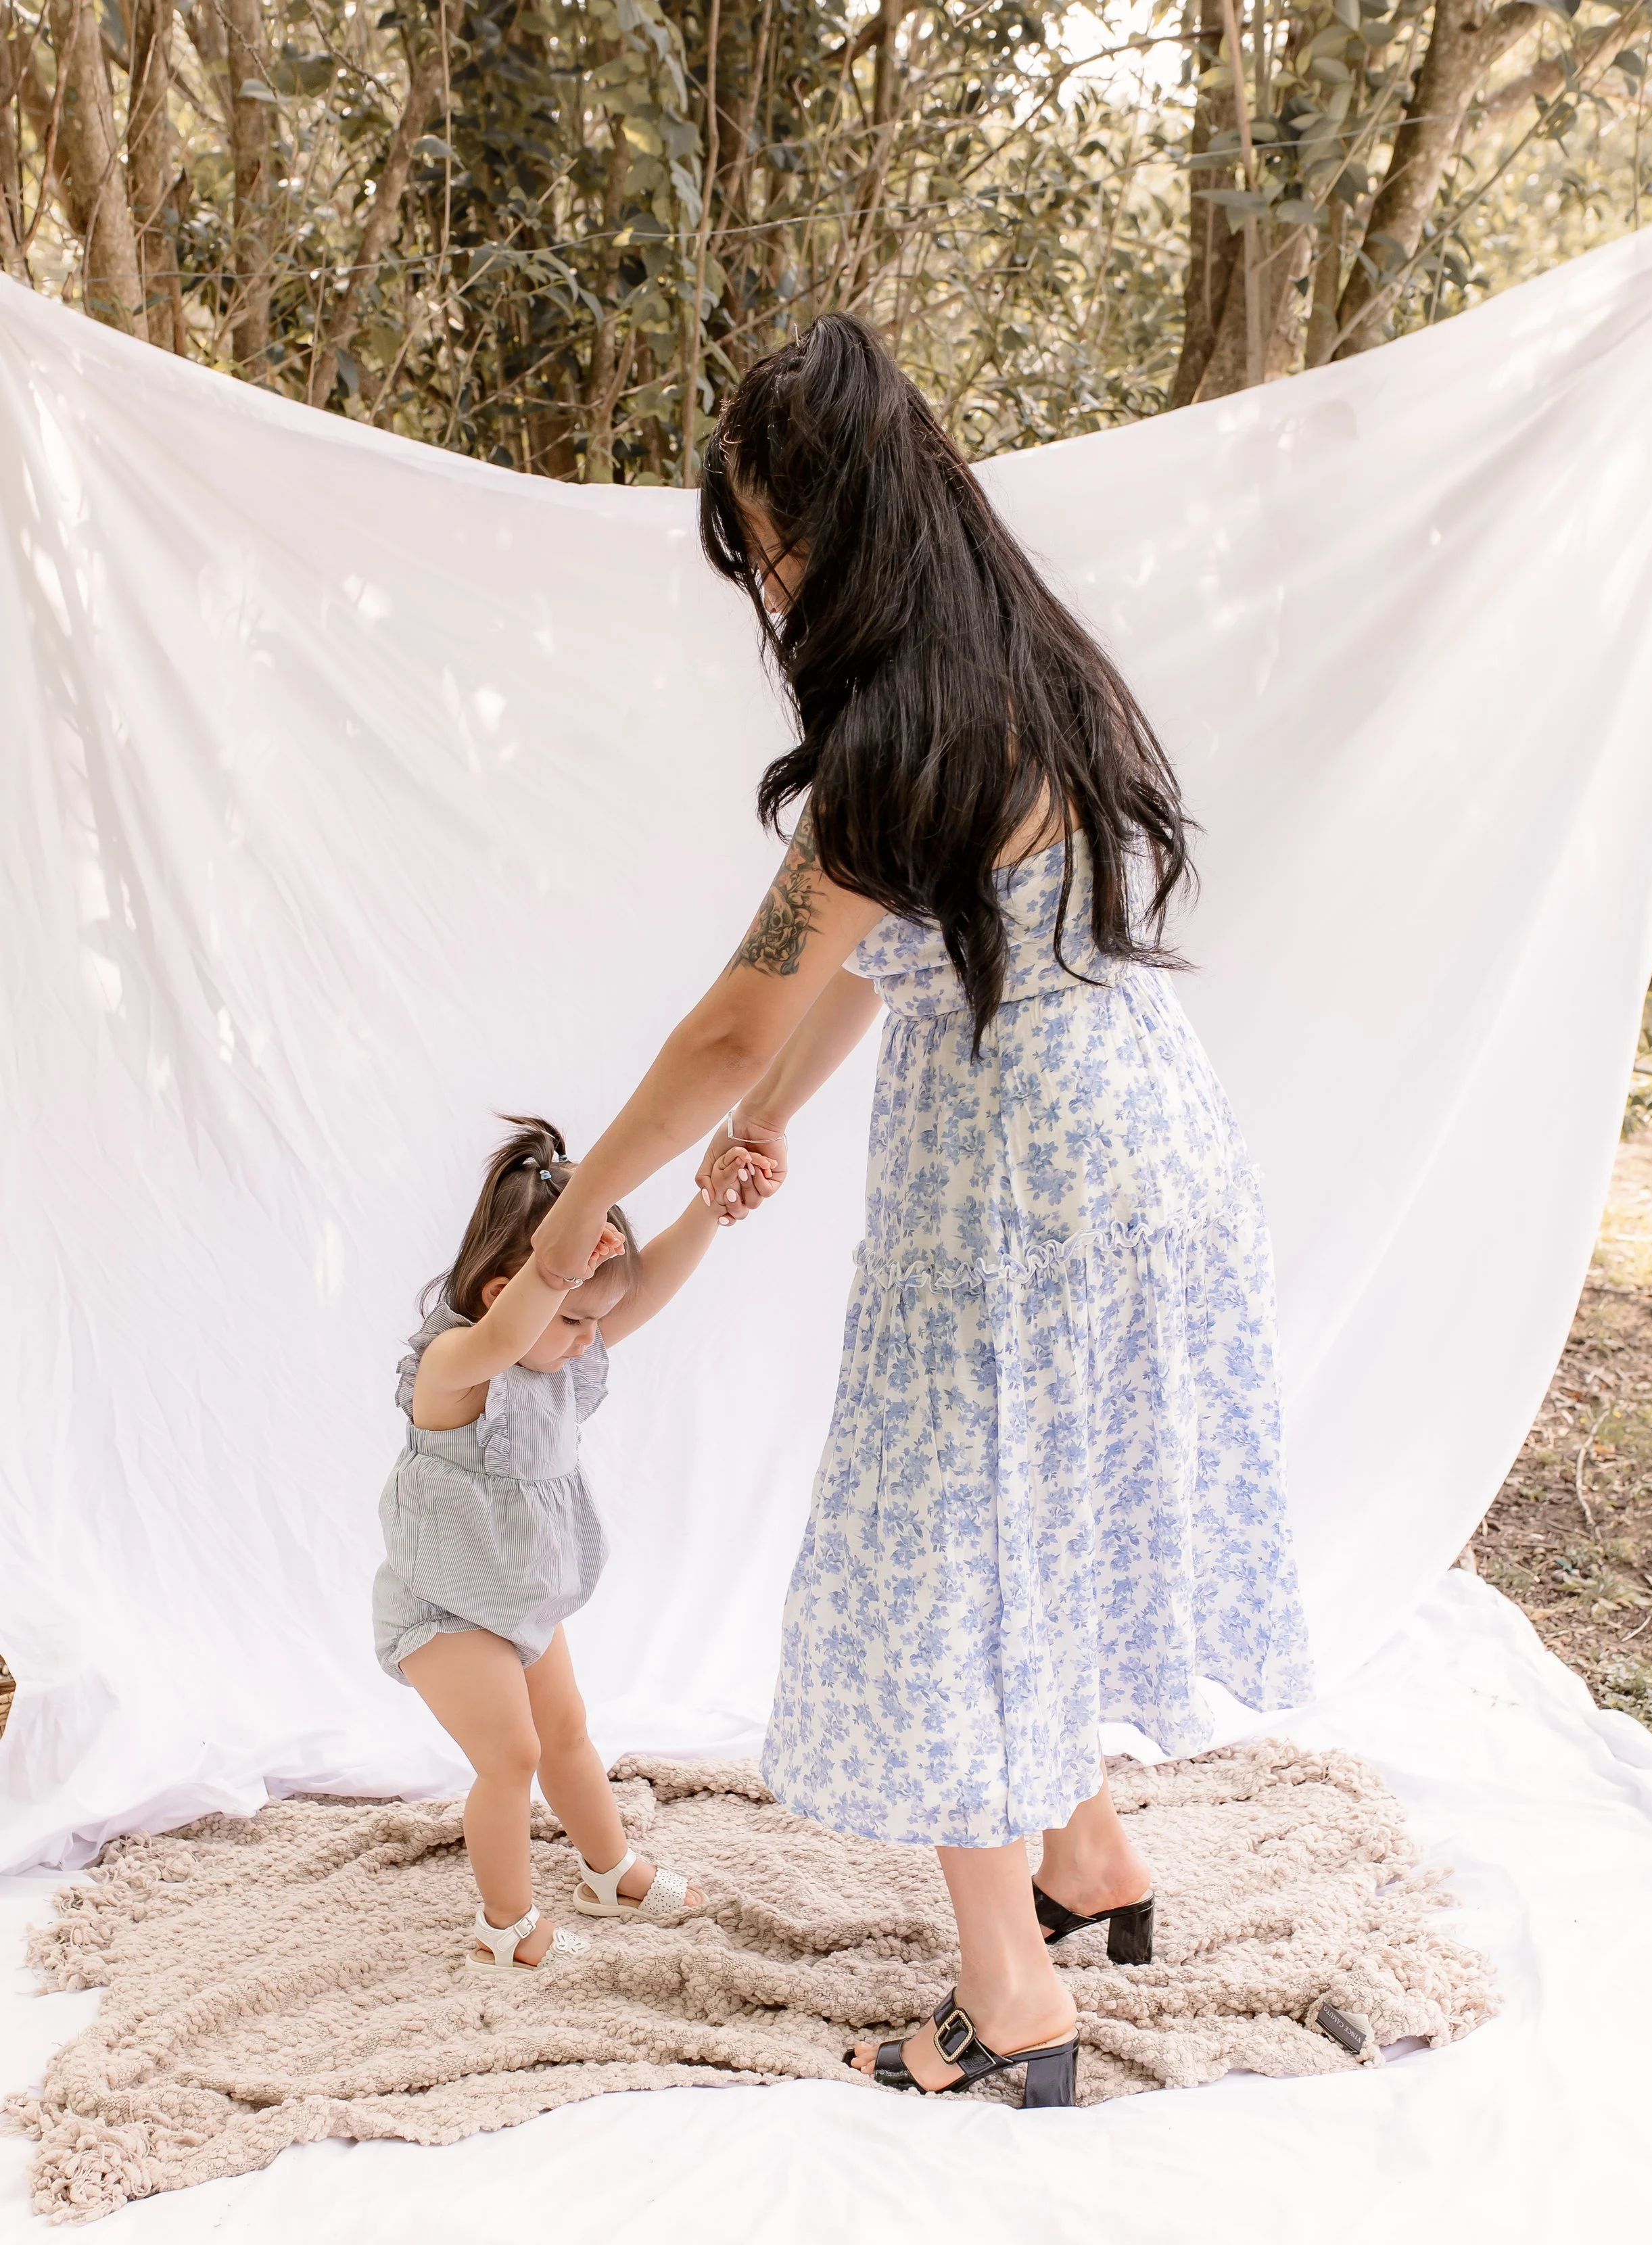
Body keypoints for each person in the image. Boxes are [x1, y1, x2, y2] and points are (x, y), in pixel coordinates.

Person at [532, 317, 1311, 2100]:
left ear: (830, 526)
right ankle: (1086, 1859)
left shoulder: (894, 730)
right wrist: (777, 1119)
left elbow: (735, 1009)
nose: (773, 585)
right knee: (1028, 1522)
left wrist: (590, 1190)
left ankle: (1007, 2004)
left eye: (771, 542)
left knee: (951, 1550)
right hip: (1145, 1130)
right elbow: (897, 959)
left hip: (1019, 1178)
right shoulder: (1013, 655)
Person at [374, 1113, 772, 1971]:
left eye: (595, 1316)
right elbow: (514, 1332)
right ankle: (504, 1922)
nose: (589, 1333)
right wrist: (560, 1268)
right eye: (572, 1313)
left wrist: (709, 1204)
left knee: (567, 1733)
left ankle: (608, 1866)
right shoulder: (456, 1365)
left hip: (524, 1597)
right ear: (504, 1294)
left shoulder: (561, 1350)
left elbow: (644, 1283)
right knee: (510, 1753)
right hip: (444, 1606)